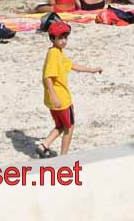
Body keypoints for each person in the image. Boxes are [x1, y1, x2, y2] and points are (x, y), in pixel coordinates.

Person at [36, 22, 102, 158]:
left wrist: (91, 70)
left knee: (60, 125)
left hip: (54, 99)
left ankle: (44, 146)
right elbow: (47, 77)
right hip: (61, 99)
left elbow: (72, 65)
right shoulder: (54, 54)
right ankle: (64, 156)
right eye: (60, 38)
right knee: (69, 127)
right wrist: (54, 96)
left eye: (66, 37)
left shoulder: (57, 52)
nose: (64, 41)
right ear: (52, 38)